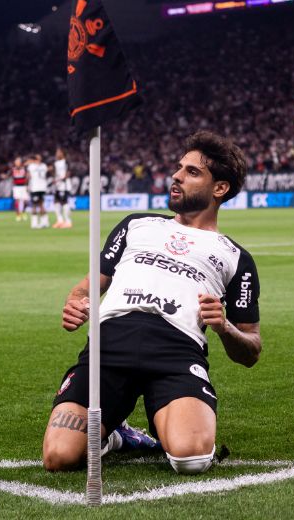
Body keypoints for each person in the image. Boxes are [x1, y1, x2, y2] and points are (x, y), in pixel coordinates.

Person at [42, 131, 262, 475]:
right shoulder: (136, 225)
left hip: (175, 352)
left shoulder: (236, 257)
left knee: (191, 459)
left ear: (219, 188)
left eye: (192, 172)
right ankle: (116, 435)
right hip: (109, 347)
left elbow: (251, 349)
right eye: (179, 167)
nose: (176, 175)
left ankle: (170, 421)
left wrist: (224, 326)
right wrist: (77, 304)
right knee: (59, 457)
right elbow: (85, 289)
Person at [27, 154, 50, 229]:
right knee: (41, 205)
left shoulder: (31, 166)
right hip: (42, 187)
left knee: (35, 205)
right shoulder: (44, 166)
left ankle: (35, 223)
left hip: (36, 188)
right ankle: (45, 222)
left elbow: (28, 176)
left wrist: (27, 185)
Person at [52, 148, 73, 229]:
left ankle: (68, 221)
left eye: (59, 152)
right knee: (56, 201)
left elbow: (69, 172)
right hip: (58, 185)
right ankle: (60, 220)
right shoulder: (56, 163)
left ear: (63, 153)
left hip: (64, 185)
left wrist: (63, 178)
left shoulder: (66, 162)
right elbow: (55, 173)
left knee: (64, 202)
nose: (57, 154)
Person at [9, 158, 29, 222]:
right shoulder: (13, 169)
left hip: (23, 186)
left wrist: (27, 184)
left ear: (20, 163)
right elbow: (10, 176)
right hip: (16, 187)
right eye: (16, 162)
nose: (17, 163)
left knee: (25, 201)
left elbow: (27, 177)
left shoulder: (24, 169)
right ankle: (18, 215)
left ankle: (23, 212)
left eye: (18, 162)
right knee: (17, 201)